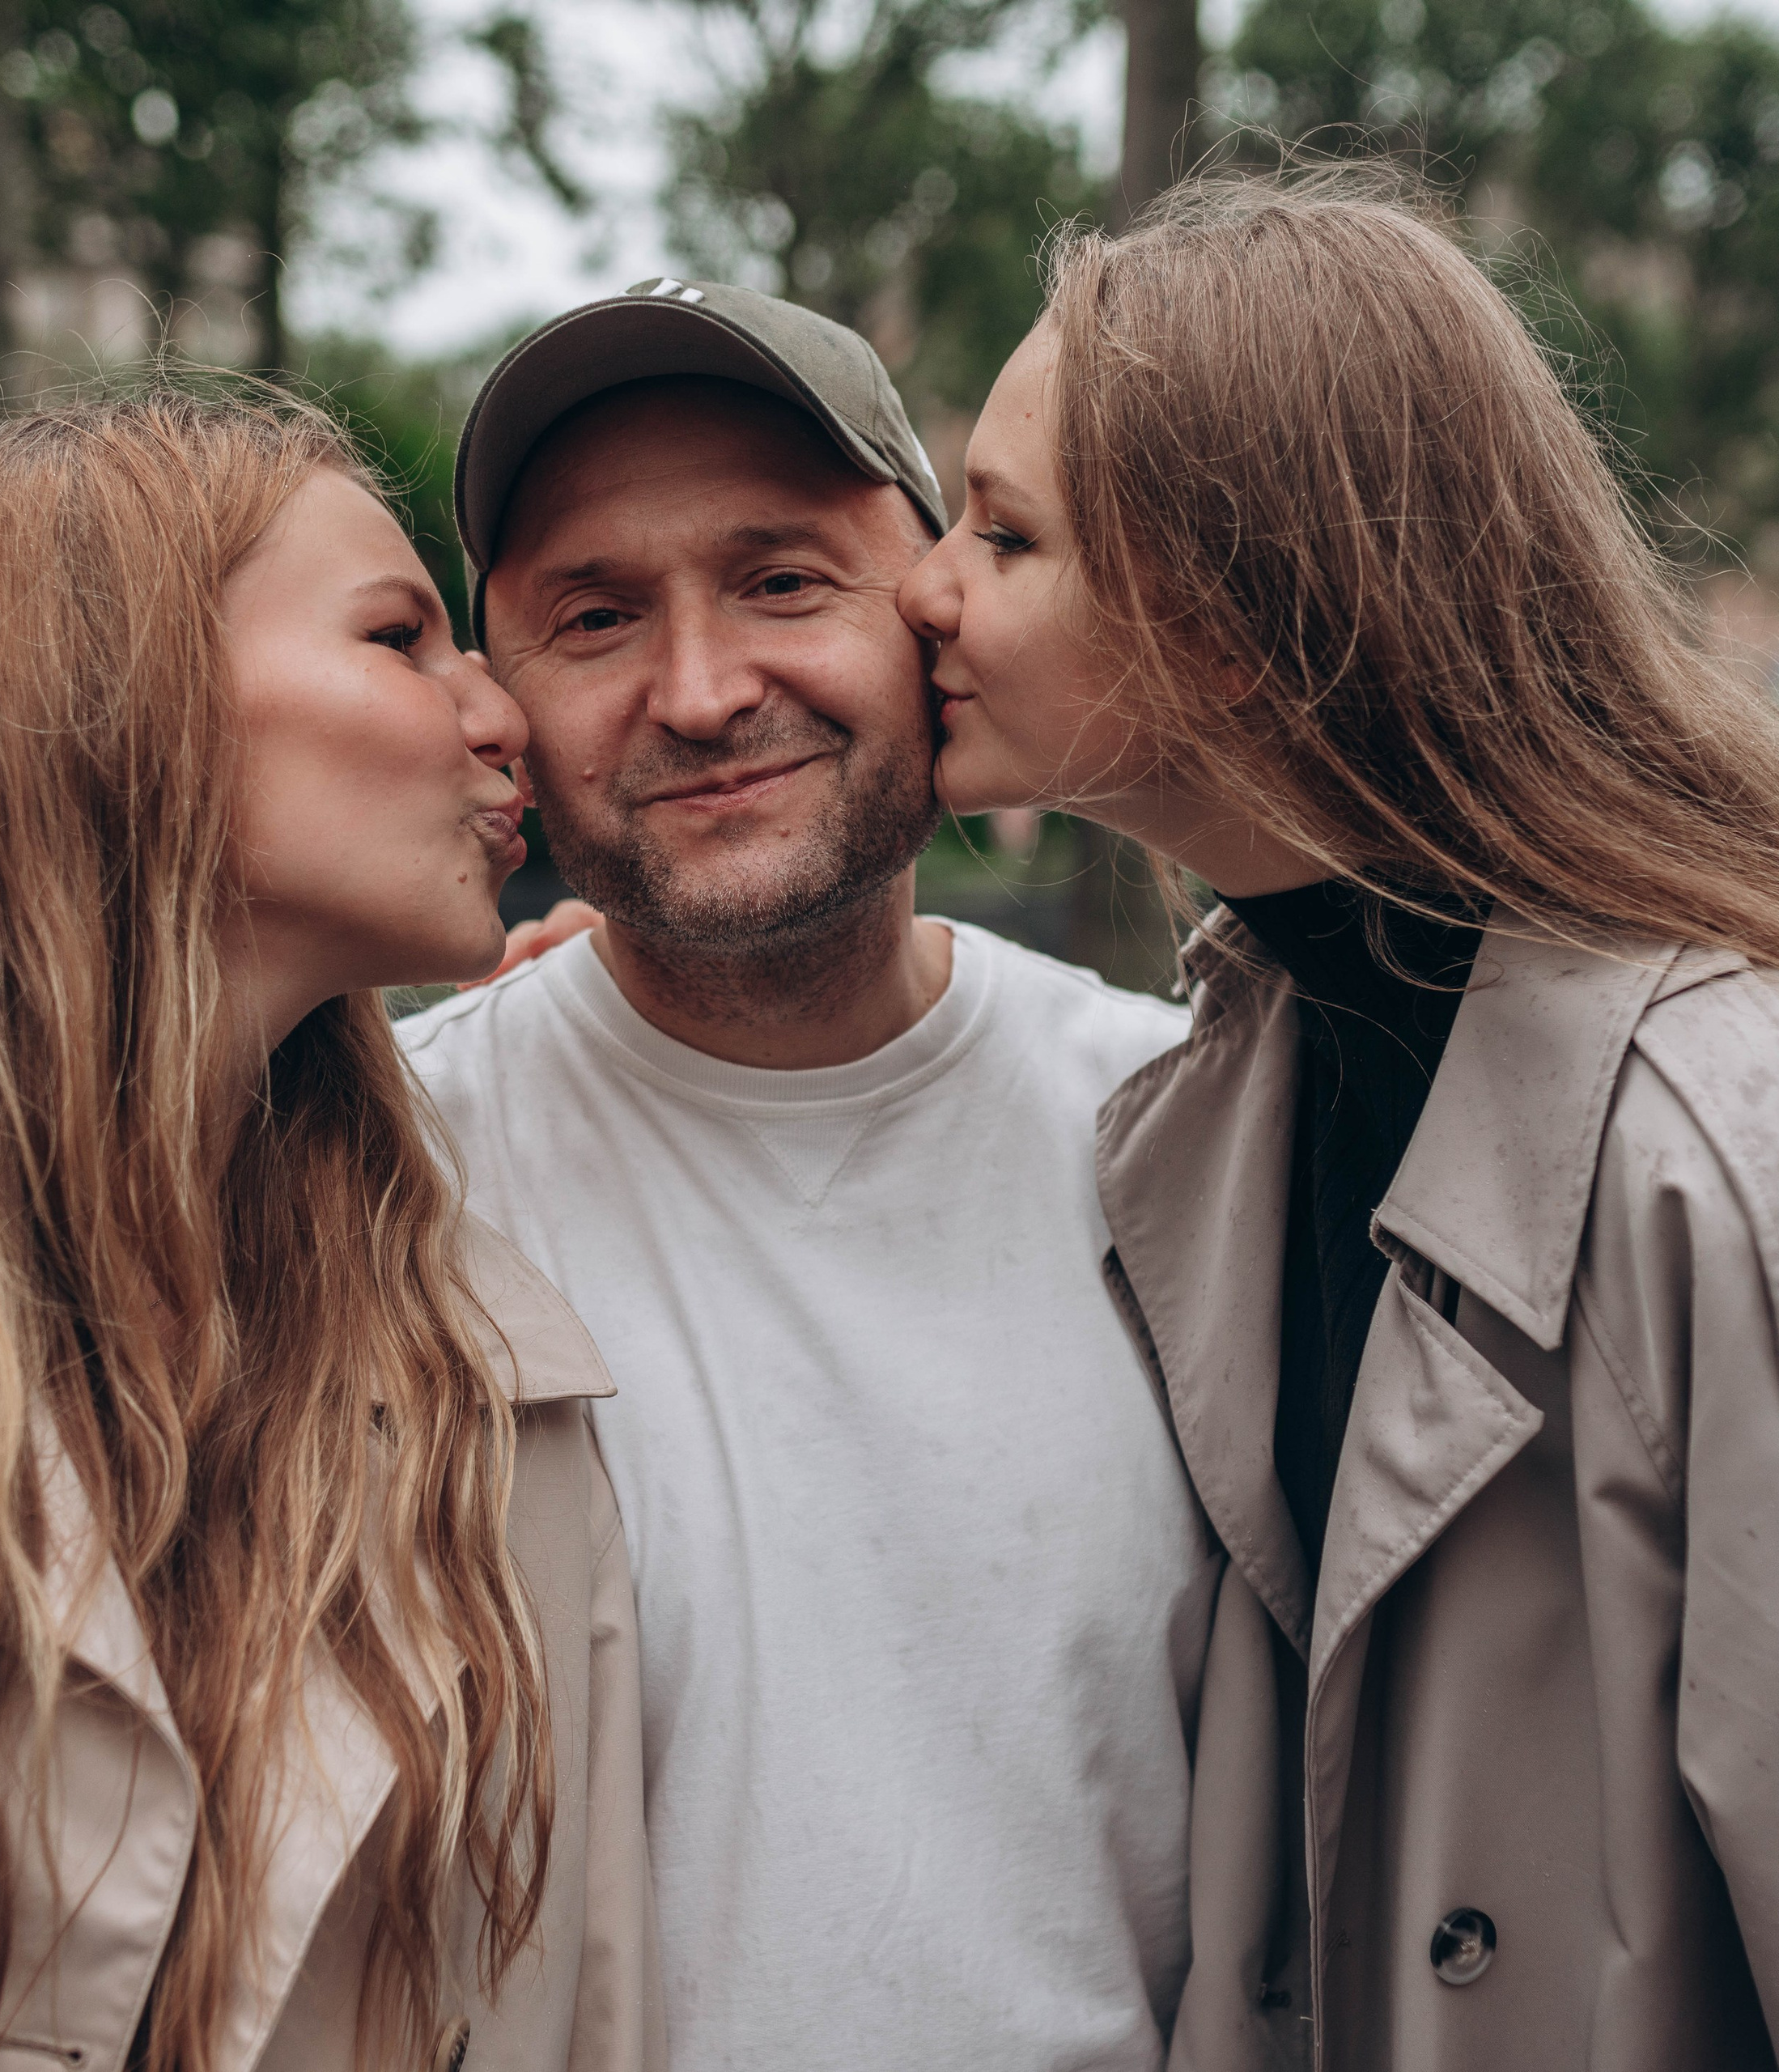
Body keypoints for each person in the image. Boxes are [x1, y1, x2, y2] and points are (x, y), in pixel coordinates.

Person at [898, 167, 1779, 2070]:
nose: (922, 584)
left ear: (1224, 620)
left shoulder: (1719, 1141)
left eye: (1002, 530)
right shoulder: (1208, 1093)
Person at [0, 388, 661, 2072]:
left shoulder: (491, 1404)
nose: (499, 709)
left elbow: (572, 2013)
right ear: (112, 699)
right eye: (399, 635)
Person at [399, 278, 1222, 2070]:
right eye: (594, 615)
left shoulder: (1195, 1141)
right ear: (499, 699)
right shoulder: (362, 1190)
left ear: (934, 610)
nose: (700, 692)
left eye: (781, 580)